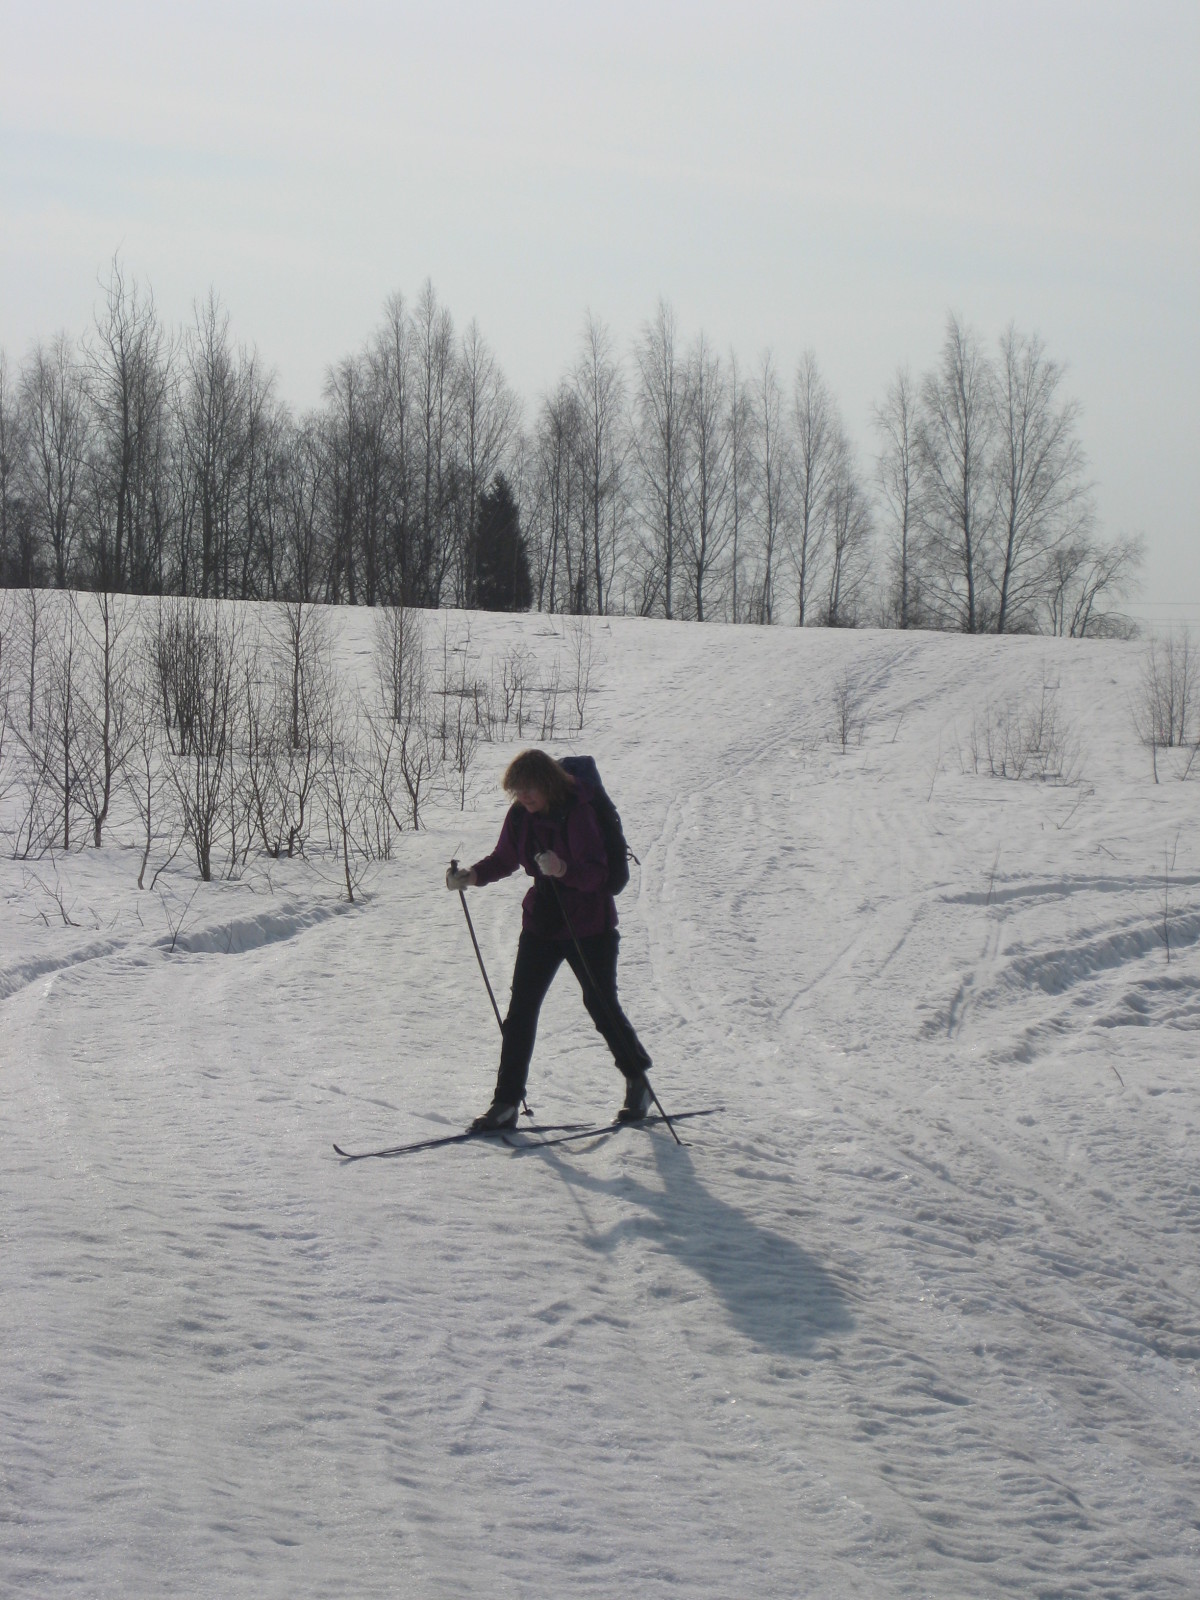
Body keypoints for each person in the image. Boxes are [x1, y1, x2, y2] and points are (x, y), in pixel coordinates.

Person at [446, 748, 654, 1131]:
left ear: (548, 783)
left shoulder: (579, 812)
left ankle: (637, 1081)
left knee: (600, 1004)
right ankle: (505, 1102)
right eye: (518, 790)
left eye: (530, 788)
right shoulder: (520, 816)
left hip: (589, 924)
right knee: (521, 1011)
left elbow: (598, 874)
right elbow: (505, 858)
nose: (524, 796)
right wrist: (472, 876)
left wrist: (562, 869)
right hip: (542, 922)